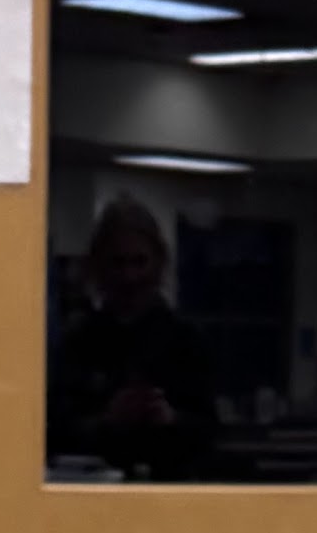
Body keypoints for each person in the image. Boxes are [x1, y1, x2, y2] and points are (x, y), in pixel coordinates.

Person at [45, 194, 219, 482]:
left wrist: (170, 419)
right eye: (118, 263)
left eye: (140, 262)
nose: (130, 276)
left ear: (159, 262)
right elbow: (51, 434)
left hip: (168, 492)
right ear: (99, 266)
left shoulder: (187, 341)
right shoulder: (78, 342)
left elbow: (210, 436)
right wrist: (106, 422)